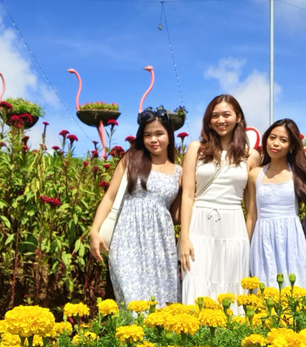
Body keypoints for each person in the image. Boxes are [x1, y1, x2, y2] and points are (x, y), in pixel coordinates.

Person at [89, 111, 181, 306]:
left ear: (169, 136)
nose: (153, 140)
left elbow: (177, 214)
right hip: (127, 241)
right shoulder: (131, 160)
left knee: (162, 306)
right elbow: (110, 197)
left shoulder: (178, 172)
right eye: (147, 135)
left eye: (159, 134)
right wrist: (94, 230)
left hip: (161, 246)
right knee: (133, 303)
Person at [179, 95, 261, 309]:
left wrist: (248, 240)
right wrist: (184, 237)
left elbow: (250, 207)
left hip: (233, 226)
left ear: (238, 117)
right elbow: (188, 194)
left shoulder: (250, 155)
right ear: (208, 119)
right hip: (199, 223)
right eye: (215, 115)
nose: (220, 120)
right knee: (196, 281)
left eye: (226, 114)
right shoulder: (196, 148)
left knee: (232, 286)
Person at [245, 118, 306, 289]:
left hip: (292, 240)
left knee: (295, 292)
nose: (276, 143)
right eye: (272, 137)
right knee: (264, 293)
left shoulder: (298, 174)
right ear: (266, 139)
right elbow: (252, 216)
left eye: (283, 140)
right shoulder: (255, 175)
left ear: (291, 146)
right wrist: (245, 249)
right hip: (263, 241)